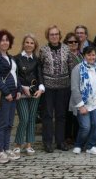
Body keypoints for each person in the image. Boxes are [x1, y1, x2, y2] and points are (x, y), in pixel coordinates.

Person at [0, 30, 22, 163]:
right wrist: (6, 92)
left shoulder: (10, 57)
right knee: (2, 124)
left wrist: (18, 89)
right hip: (3, 95)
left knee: (9, 124)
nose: (5, 42)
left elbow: (15, 75)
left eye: (7, 40)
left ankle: (7, 148)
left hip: (13, 94)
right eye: (2, 40)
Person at [39, 25, 73, 153]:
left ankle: (60, 141)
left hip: (63, 87)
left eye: (56, 34)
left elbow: (70, 67)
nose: (54, 36)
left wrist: (71, 85)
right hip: (48, 87)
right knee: (47, 115)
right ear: (48, 36)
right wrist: (41, 84)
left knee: (61, 115)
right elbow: (40, 69)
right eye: (51, 34)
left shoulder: (66, 49)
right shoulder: (43, 50)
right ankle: (47, 142)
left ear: (60, 35)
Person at [69, 46, 96, 155]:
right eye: (89, 55)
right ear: (84, 56)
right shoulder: (78, 69)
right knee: (85, 127)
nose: (91, 57)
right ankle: (78, 145)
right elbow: (74, 88)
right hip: (83, 103)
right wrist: (81, 105)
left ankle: (91, 146)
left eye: (93, 55)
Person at [13, 34, 45, 157]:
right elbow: (14, 76)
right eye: (27, 42)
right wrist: (21, 88)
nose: (29, 45)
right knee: (24, 118)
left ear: (34, 45)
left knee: (32, 118)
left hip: (34, 92)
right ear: (23, 44)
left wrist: (40, 89)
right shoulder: (16, 59)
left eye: (32, 43)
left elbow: (40, 76)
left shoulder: (37, 60)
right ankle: (17, 144)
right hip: (21, 93)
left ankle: (29, 144)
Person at [63, 32, 83, 144]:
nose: (73, 43)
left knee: (77, 112)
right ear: (66, 43)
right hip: (68, 87)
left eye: (76, 41)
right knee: (68, 113)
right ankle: (67, 136)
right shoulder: (66, 55)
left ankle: (76, 135)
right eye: (70, 42)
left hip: (79, 88)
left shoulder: (80, 55)